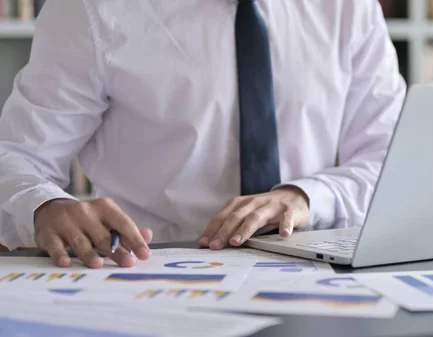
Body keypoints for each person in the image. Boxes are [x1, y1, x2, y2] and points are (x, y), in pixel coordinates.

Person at [0, 0, 406, 268]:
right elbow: (18, 156)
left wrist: (306, 197)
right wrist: (46, 206)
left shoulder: (349, 7)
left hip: (316, 272)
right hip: (151, 273)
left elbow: (396, 161)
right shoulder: (93, 8)